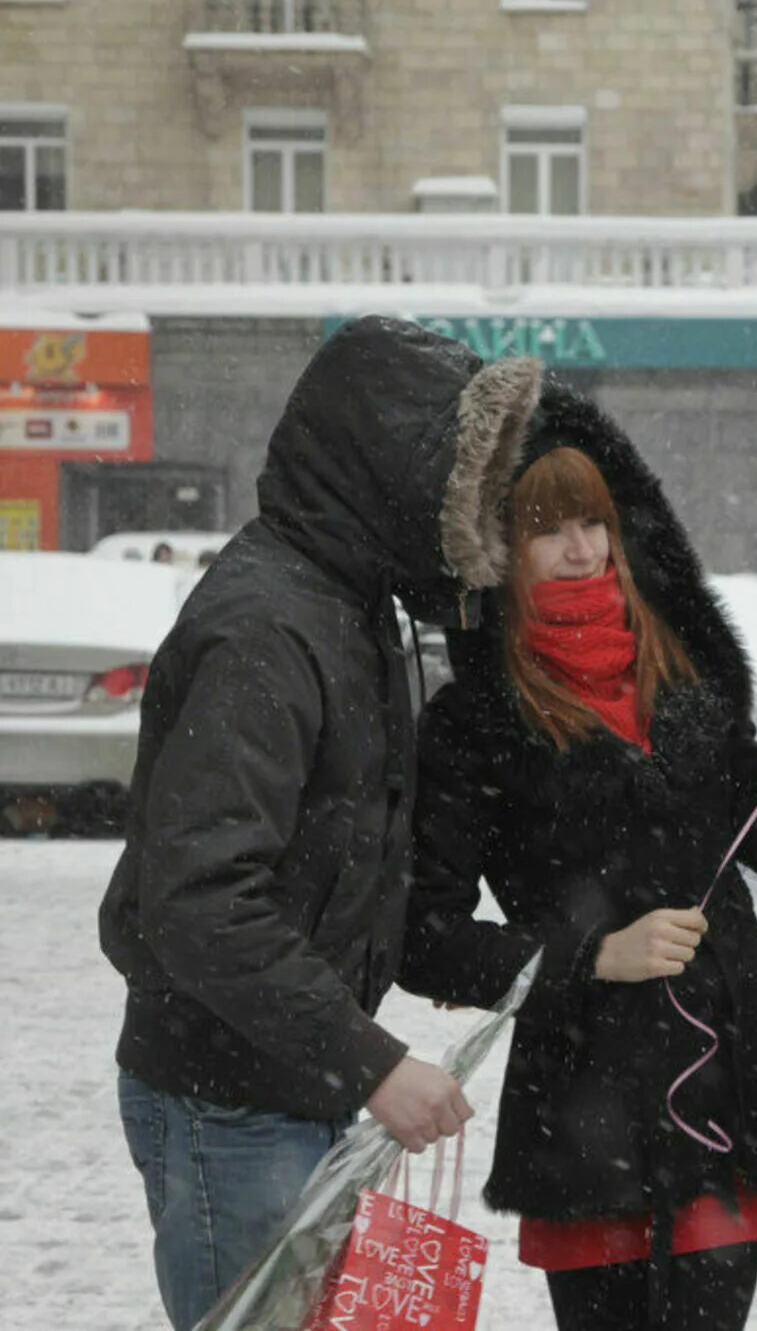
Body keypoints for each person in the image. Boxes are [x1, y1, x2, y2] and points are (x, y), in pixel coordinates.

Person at [397, 388, 757, 1331]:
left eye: (594, 521)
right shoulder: (474, 722)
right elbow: (424, 939)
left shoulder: (680, 681)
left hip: (729, 1090)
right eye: (550, 529)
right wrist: (591, 953)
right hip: (587, 1108)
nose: (583, 549)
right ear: (503, 550)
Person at [98, 318, 544, 1330]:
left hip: (277, 1084)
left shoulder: (347, 606)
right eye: (458, 483)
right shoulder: (268, 627)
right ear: (389, 469)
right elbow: (202, 900)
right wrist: (375, 1064)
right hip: (230, 1105)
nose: (470, 512)